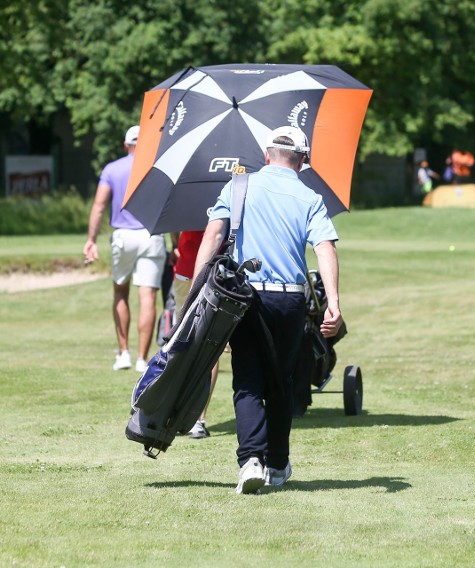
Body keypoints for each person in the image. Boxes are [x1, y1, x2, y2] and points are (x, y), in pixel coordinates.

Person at [193, 125, 342, 494]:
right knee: (281, 382)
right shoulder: (310, 196)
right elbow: (325, 247)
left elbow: (212, 235)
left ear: (265, 155)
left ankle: (251, 462)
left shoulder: (238, 186)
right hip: (290, 300)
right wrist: (334, 303)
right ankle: (277, 465)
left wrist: (198, 288)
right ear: (303, 160)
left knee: (246, 380)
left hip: (246, 297)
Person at [84, 126, 167, 373]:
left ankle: (124, 354)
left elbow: (99, 206)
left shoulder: (112, 169)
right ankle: (142, 359)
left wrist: (91, 239)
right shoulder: (156, 168)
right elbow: (166, 206)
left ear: (125, 145)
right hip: (151, 235)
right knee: (148, 296)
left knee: (121, 291)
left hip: (123, 236)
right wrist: (173, 242)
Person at [170, 230, 219, 439]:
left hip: (186, 269)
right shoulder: (232, 196)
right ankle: (198, 419)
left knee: (182, 341)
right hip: (218, 272)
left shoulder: (185, 195)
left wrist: (175, 243)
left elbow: (173, 224)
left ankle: (176, 412)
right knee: (212, 344)